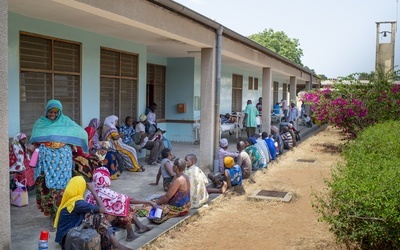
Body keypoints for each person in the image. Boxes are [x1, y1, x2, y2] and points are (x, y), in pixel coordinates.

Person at [30, 99, 88, 230]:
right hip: (46, 162)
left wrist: (74, 142)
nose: (53, 115)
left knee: (62, 191)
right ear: (47, 111)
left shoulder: (65, 121)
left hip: (63, 164)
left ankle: (62, 216)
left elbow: (78, 132)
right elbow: (34, 140)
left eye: (56, 112)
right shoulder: (40, 123)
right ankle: (53, 216)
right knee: (49, 190)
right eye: (51, 112)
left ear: (60, 112)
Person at [54, 176, 132, 250]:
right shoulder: (78, 203)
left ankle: (114, 245)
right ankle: (116, 245)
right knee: (98, 218)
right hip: (69, 239)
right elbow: (102, 209)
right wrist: (93, 191)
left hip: (66, 236)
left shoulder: (70, 199)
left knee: (94, 217)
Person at [85, 167, 156, 242]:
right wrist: (148, 202)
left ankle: (141, 226)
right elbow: (130, 200)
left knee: (122, 205)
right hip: (102, 220)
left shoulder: (90, 191)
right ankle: (130, 234)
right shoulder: (105, 191)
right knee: (125, 207)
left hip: (96, 218)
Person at [141, 158, 191, 224]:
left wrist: (157, 203)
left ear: (176, 167)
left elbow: (167, 197)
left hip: (178, 208)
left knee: (149, 207)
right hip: (186, 205)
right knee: (154, 200)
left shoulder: (179, 180)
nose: (172, 166)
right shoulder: (183, 176)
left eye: (173, 165)